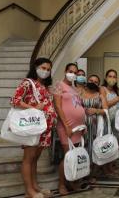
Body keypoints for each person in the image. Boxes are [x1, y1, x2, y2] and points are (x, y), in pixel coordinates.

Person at [10, 58, 56, 198]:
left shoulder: (44, 86)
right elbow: (15, 100)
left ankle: (35, 186)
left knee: (35, 159)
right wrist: (34, 108)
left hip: (44, 128)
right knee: (28, 159)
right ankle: (29, 190)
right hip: (32, 127)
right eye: (43, 68)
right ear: (35, 67)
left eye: (48, 69)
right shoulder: (28, 83)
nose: (46, 71)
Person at [53, 63, 86, 195]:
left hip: (78, 128)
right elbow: (58, 106)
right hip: (66, 126)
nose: (72, 74)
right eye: (70, 71)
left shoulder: (73, 88)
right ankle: (61, 184)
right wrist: (66, 125)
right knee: (68, 155)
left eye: (75, 72)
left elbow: (78, 106)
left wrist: (83, 125)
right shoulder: (59, 85)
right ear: (65, 71)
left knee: (75, 155)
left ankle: (72, 182)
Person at [81, 75, 108, 184]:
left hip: (95, 126)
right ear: (87, 81)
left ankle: (91, 174)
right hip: (81, 125)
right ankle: (80, 173)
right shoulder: (80, 94)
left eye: (96, 81)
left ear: (98, 84)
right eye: (91, 80)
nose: (93, 82)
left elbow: (105, 110)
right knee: (82, 148)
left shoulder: (100, 96)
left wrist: (96, 110)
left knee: (93, 149)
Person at [100, 69, 119, 174]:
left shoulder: (117, 91)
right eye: (110, 76)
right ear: (105, 78)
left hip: (115, 122)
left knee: (115, 143)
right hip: (106, 120)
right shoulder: (102, 89)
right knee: (106, 143)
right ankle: (104, 167)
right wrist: (116, 100)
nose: (112, 79)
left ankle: (111, 166)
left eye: (114, 77)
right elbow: (103, 105)